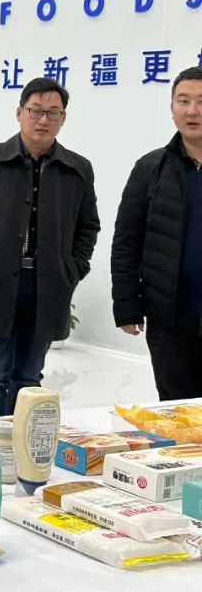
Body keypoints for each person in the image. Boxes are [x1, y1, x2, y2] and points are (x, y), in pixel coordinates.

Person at [0, 78, 99, 416]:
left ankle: (21, 445)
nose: (43, 120)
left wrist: (73, 268)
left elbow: (88, 226)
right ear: (19, 112)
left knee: (29, 378)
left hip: (48, 285)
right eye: (35, 111)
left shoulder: (78, 168)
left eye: (53, 113)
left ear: (63, 118)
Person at [112, 67, 202, 400]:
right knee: (176, 410)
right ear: (172, 107)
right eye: (184, 101)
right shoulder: (150, 169)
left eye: (201, 102)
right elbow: (126, 242)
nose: (192, 111)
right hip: (169, 319)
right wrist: (127, 306)